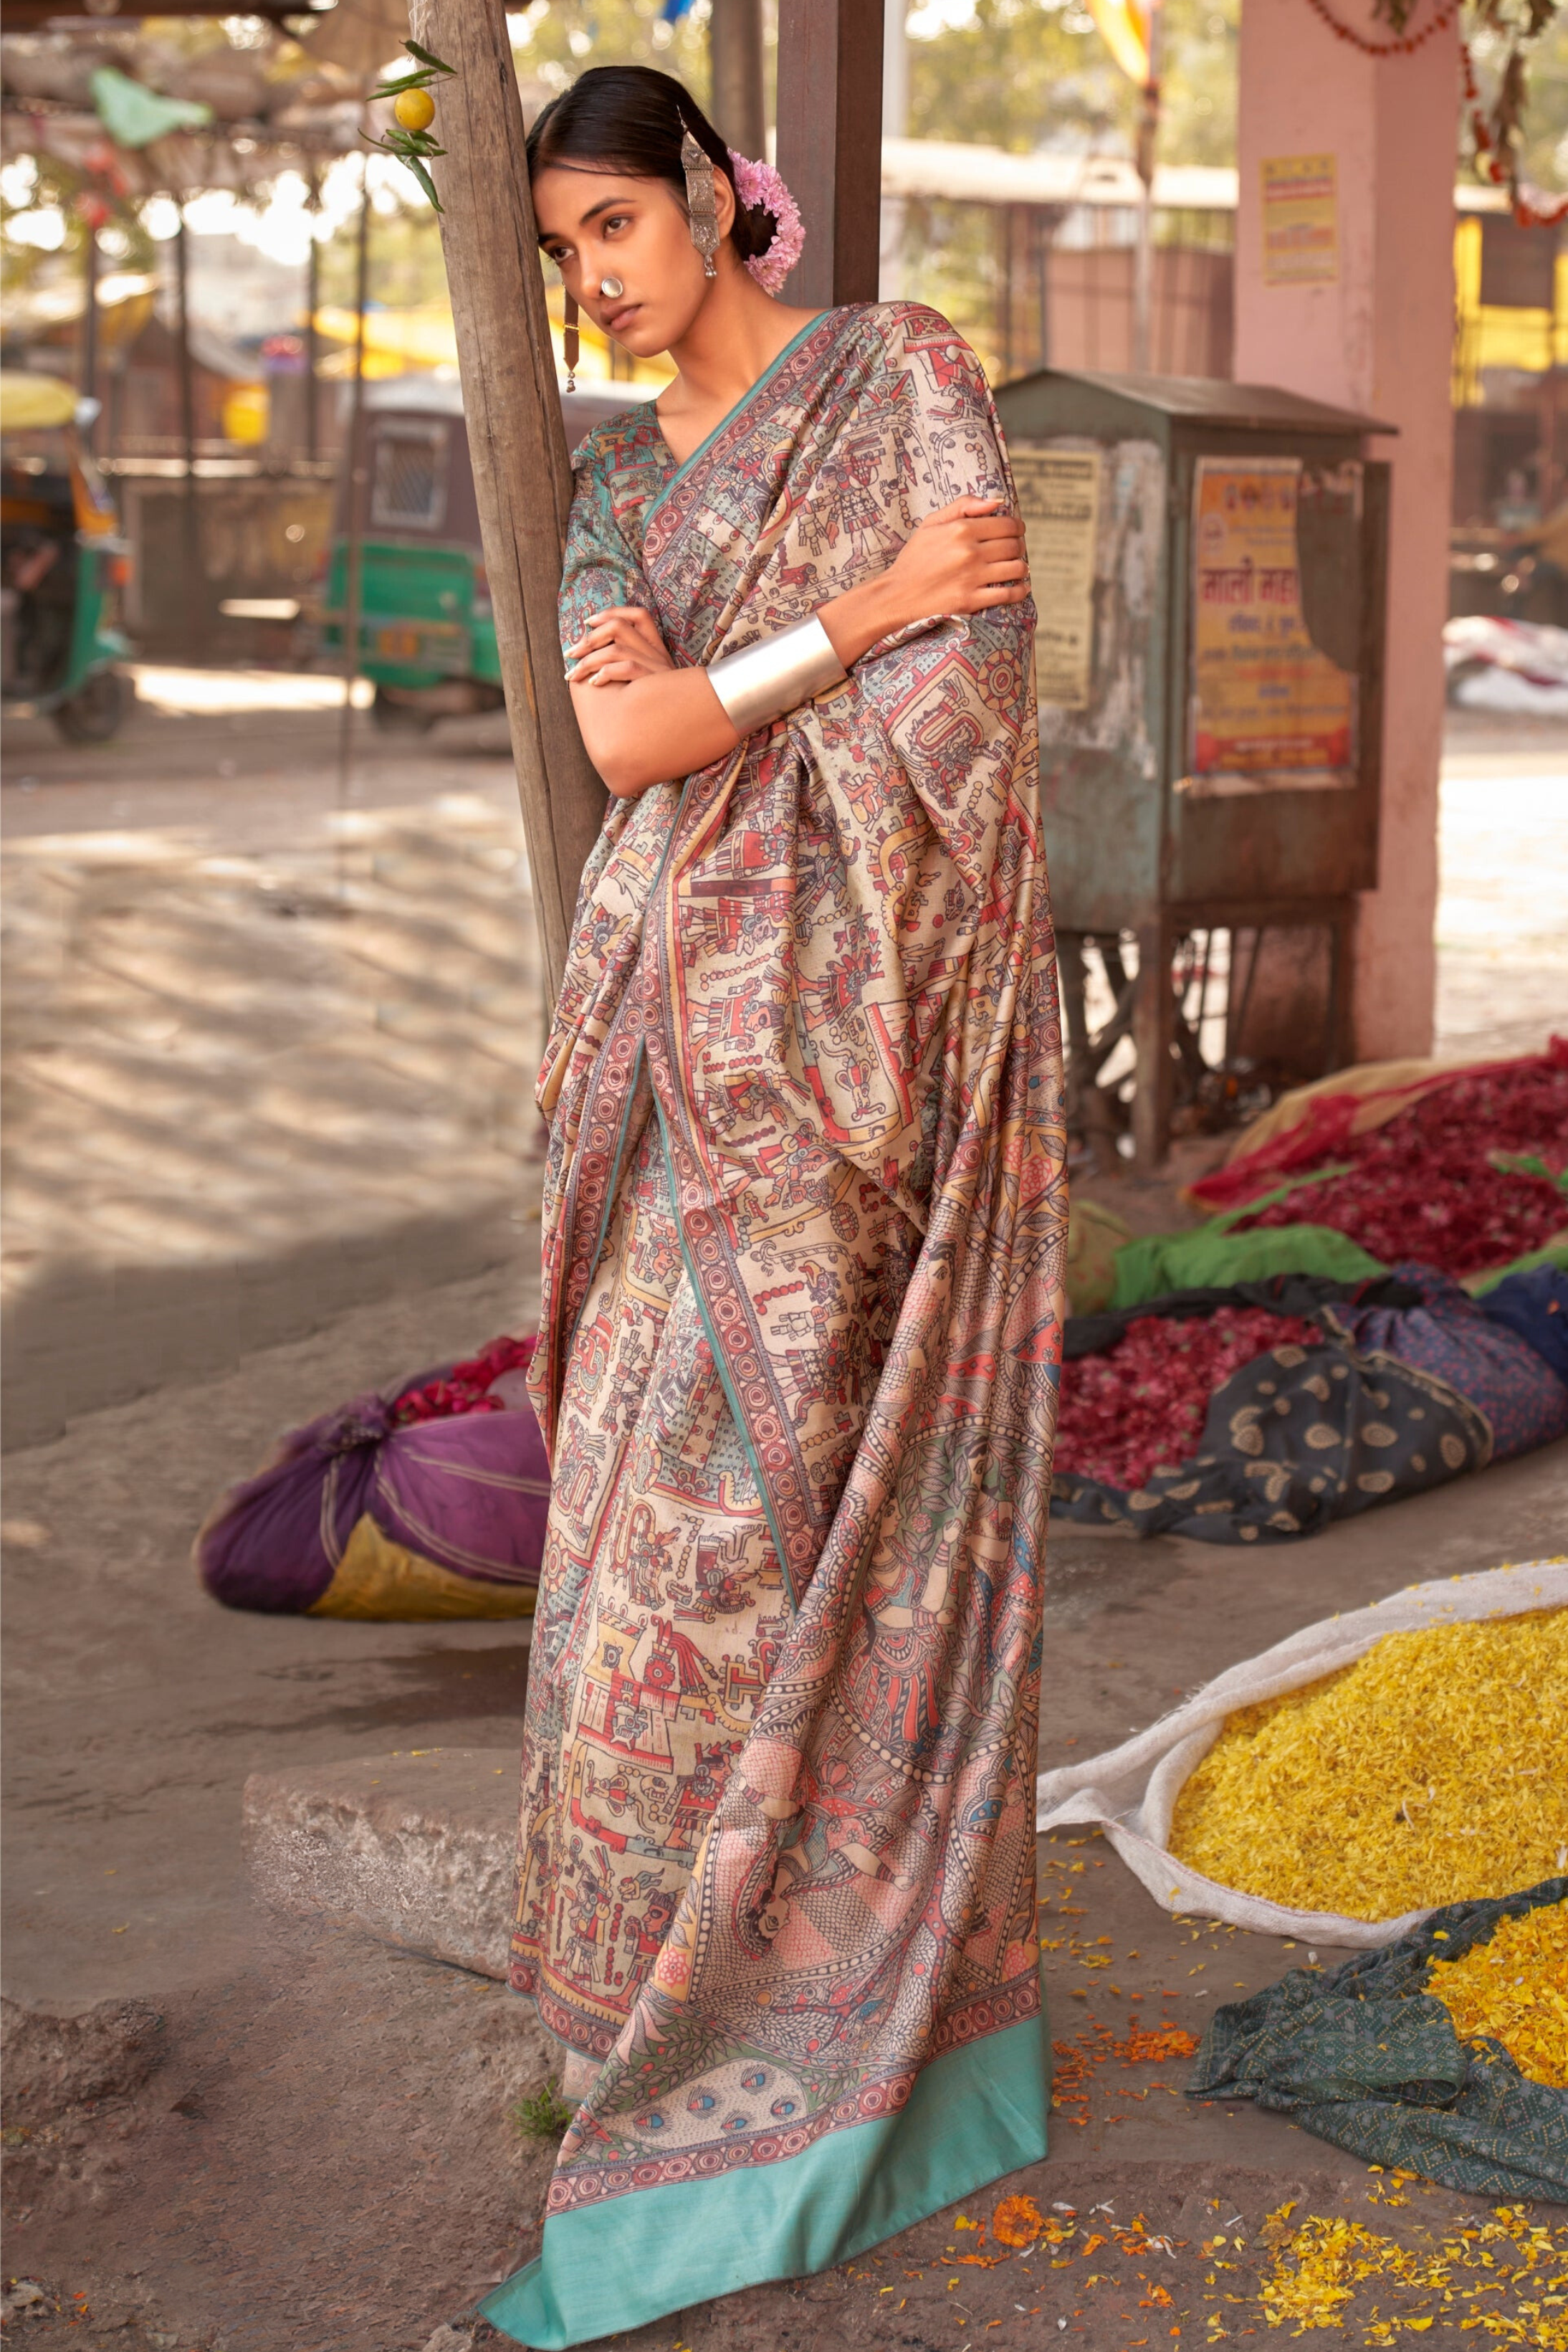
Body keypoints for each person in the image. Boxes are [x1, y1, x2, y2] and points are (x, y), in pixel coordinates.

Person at [484, 65, 1067, 2351]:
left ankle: (861, 2053)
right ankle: (645, 2029)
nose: (596, 287)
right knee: (648, 1543)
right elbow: (627, 752)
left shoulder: (900, 371)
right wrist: (857, 612)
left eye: (615, 228)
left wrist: (762, 677)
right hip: (659, 1067)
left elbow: (976, 703)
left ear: (723, 202)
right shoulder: (617, 490)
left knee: (820, 1514)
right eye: (562, 255)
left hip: (860, 1066)